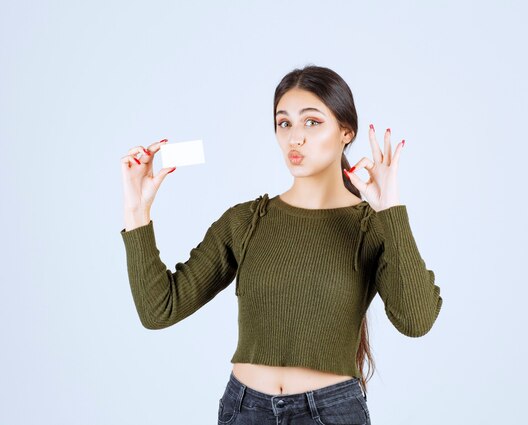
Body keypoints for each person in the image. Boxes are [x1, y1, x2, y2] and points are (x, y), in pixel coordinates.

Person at [119, 64, 443, 424]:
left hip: (331, 413)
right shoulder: (246, 222)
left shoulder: (372, 226)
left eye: (312, 122)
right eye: (284, 123)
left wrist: (390, 210)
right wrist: (137, 208)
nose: (295, 138)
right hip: (243, 410)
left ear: (346, 132)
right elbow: (159, 309)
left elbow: (417, 320)